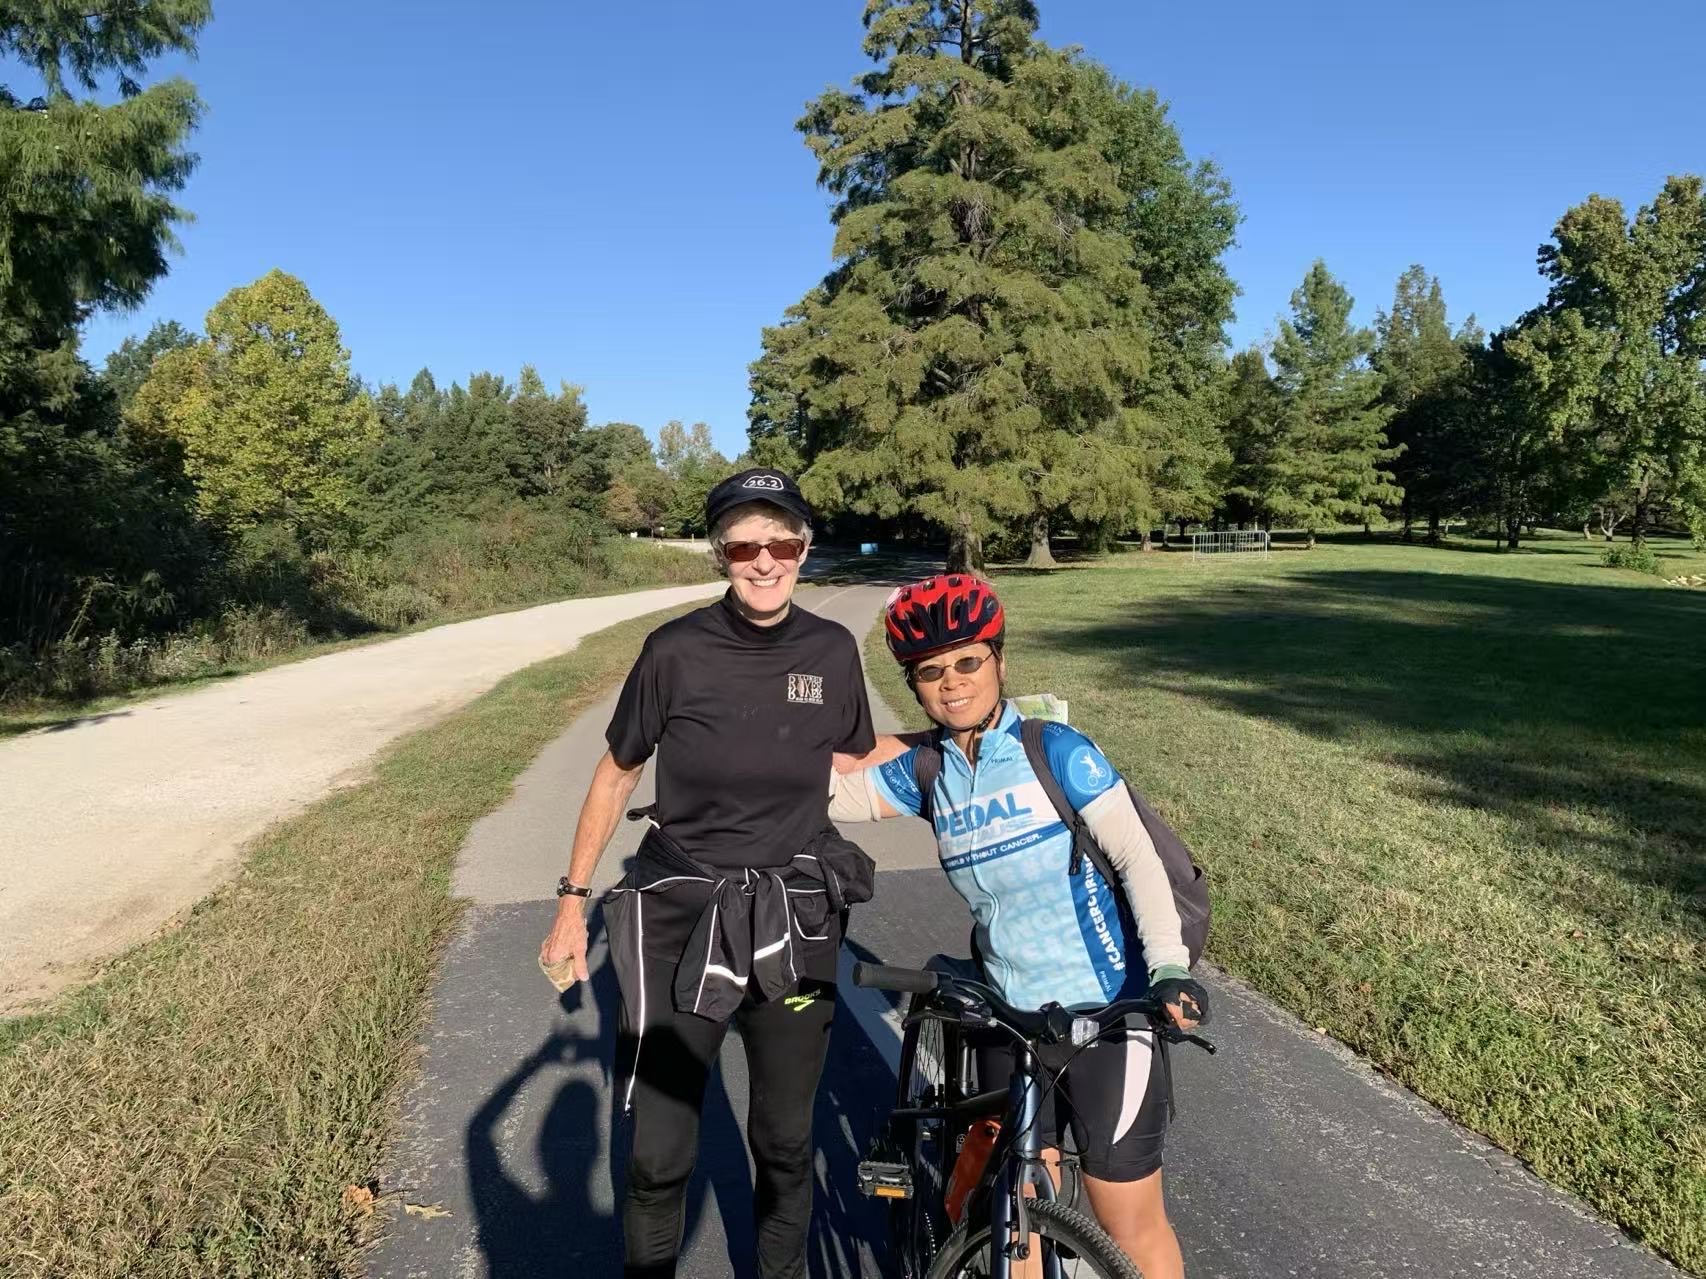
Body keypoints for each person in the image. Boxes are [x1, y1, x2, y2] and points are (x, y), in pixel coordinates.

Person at [539, 468, 876, 1279]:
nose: (766, 561)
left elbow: (863, 763)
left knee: (785, 1142)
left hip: (793, 918)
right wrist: (570, 902)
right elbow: (617, 771)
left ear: (804, 550)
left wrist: (982, 763)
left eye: (783, 543)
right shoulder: (675, 651)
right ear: (721, 554)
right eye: (745, 545)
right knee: (659, 1149)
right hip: (680, 917)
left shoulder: (832, 651)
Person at [829, 574, 1209, 1279]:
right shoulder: (929, 771)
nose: (952, 682)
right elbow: (826, 787)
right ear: (914, 685)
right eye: (930, 671)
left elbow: (1137, 858)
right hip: (1008, 1016)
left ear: (1000, 659)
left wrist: (1168, 969)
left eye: (968, 660)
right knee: (1016, 1210)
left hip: (1107, 1014)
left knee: (1127, 1218)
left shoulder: (1055, 750)